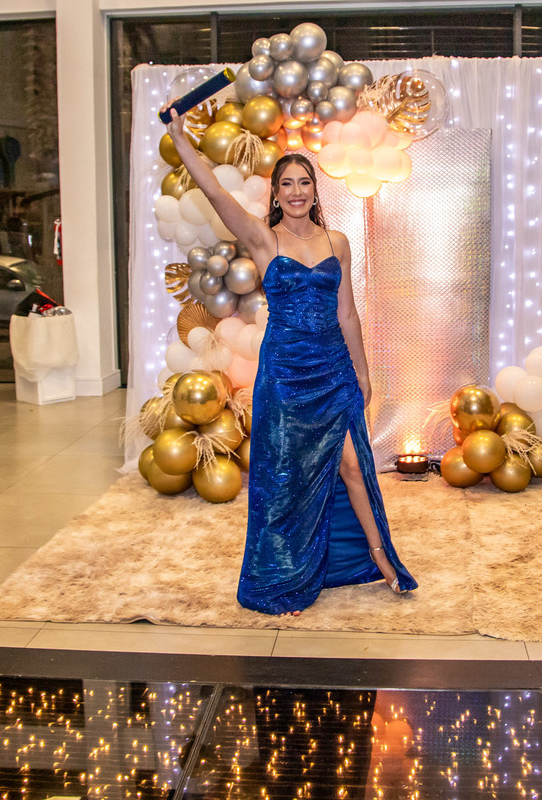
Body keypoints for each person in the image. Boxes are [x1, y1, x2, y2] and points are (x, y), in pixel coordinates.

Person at [163, 106, 417, 615]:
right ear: (276, 194)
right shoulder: (264, 238)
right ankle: (284, 576)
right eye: (287, 184)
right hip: (283, 374)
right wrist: (180, 139)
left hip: (333, 369)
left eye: (305, 183)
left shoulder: (337, 242)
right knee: (286, 478)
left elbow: (347, 313)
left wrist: (362, 372)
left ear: (314, 191)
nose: (297, 191)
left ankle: (379, 558)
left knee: (353, 465)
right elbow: (215, 193)